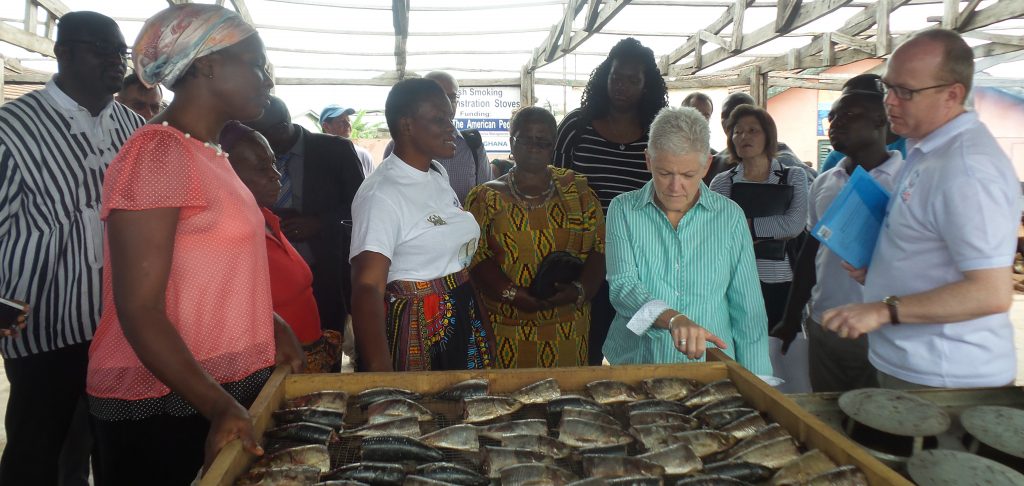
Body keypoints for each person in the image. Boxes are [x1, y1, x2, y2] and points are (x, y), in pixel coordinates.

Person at [86, 5, 303, 483]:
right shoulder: (157, 153)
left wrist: (269, 324)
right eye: (255, 63)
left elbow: (209, 273)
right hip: (164, 402)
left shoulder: (211, 153)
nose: (267, 79)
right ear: (206, 65)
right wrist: (217, 405)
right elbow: (139, 308)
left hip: (216, 387)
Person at [822, 29, 1021, 389]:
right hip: (910, 363)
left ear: (952, 94)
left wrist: (883, 309)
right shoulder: (926, 149)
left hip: (948, 375)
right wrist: (879, 270)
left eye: (906, 92)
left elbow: (990, 293)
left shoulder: (968, 169)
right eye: (889, 88)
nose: (890, 103)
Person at [0, 11, 143, 486]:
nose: (115, 60)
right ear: (62, 53)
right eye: (100, 49)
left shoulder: (133, 129)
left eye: (120, 52)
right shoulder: (12, 128)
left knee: (115, 446)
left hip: (123, 325)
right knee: (37, 449)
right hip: (43, 328)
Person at [602, 107, 771, 374]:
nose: (675, 186)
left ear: (706, 165)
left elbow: (748, 313)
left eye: (688, 175)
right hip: (637, 363)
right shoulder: (623, 209)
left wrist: (759, 384)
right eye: (664, 173)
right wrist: (673, 319)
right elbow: (623, 287)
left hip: (710, 367)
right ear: (648, 160)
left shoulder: (729, 217)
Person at [350, 78, 495, 372]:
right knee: (423, 411)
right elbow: (367, 286)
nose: (451, 128)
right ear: (407, 126)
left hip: (461, 307)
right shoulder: (382, 193)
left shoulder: (436, 173)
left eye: (450, 118)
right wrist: (381, 374)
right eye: (439, 119)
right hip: (419, 323)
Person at [775, 78, 903, 392]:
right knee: (827, 415)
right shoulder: (824, 183)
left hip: (878, 328)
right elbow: (811, 253)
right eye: (831, 118)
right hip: (824, 322)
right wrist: (792, 316)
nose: (834, 124)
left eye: (847, 116)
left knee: (874, 421)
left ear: (879, 119)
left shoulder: (905, 182)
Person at [552, 37, 669, 365]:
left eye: (633, 80)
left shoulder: (656, 134)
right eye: (617, 77)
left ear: (647, 86)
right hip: (582, 256)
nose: (622, 86)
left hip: (638, 258)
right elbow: (555, 187)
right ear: (606, 77)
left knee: (639, 346)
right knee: (584, 347)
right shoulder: (577, 127)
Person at [466, 107, 605, 368]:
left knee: (564, 399)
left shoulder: (579, 190)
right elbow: (475, 256)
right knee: (508, 400)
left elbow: (600, 248)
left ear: (553, 145)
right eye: (526, 138)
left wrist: (579, 290)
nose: (535, 146)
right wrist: (513, 294)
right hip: (506, 326)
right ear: (511, 143)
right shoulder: (485, 197)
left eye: (543, 140)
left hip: (567, 328)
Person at [221, 121, 342, 373]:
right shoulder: (226, 236)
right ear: (225, 173)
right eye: (262, 168)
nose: (276, 175)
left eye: (273, 163)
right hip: (271, 369)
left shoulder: (267, 218)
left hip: (302, 361)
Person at [250, 96, 365, 336]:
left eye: (261, 135)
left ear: (282, 128)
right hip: (267, 279)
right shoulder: (250, 157)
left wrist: (320, 223)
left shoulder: (335, 151)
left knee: (325, 348)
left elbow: (363, 207)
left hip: (326, 275)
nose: (257, 143)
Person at [710, 105, 809, 334]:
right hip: (737, 281)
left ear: (768, 135)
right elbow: (720, 232)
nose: (744, 136)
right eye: (738, 131)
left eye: (753, 130)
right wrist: (770, 230)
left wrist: (746, 227)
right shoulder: (722, 182)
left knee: (779, 350)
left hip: (782, 281)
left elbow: (794, 224)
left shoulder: (793, 176)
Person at [384, 71, 490, 204]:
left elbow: (486, 199)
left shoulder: (472, 145)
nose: (446, 103)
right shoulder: (397, 147)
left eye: (451, 97)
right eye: (438, 96)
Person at [705, 93, 816, 187]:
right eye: (726, 115)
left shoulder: (784, 159)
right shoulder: (714, 164)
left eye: (752, 129)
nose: (733, 119)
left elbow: (811, 190)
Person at [819, 74, 907, 173]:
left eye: (849, 114)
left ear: (880, 117)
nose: (834, 124)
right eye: (831, 118)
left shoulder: (913, 148)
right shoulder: (835, 161)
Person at [321, 104, 375, 176]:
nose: (348, 124)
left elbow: (372, 186)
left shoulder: (363, 155)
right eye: (341, 121)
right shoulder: (317, 156)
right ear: (326, 126)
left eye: (348, 120)